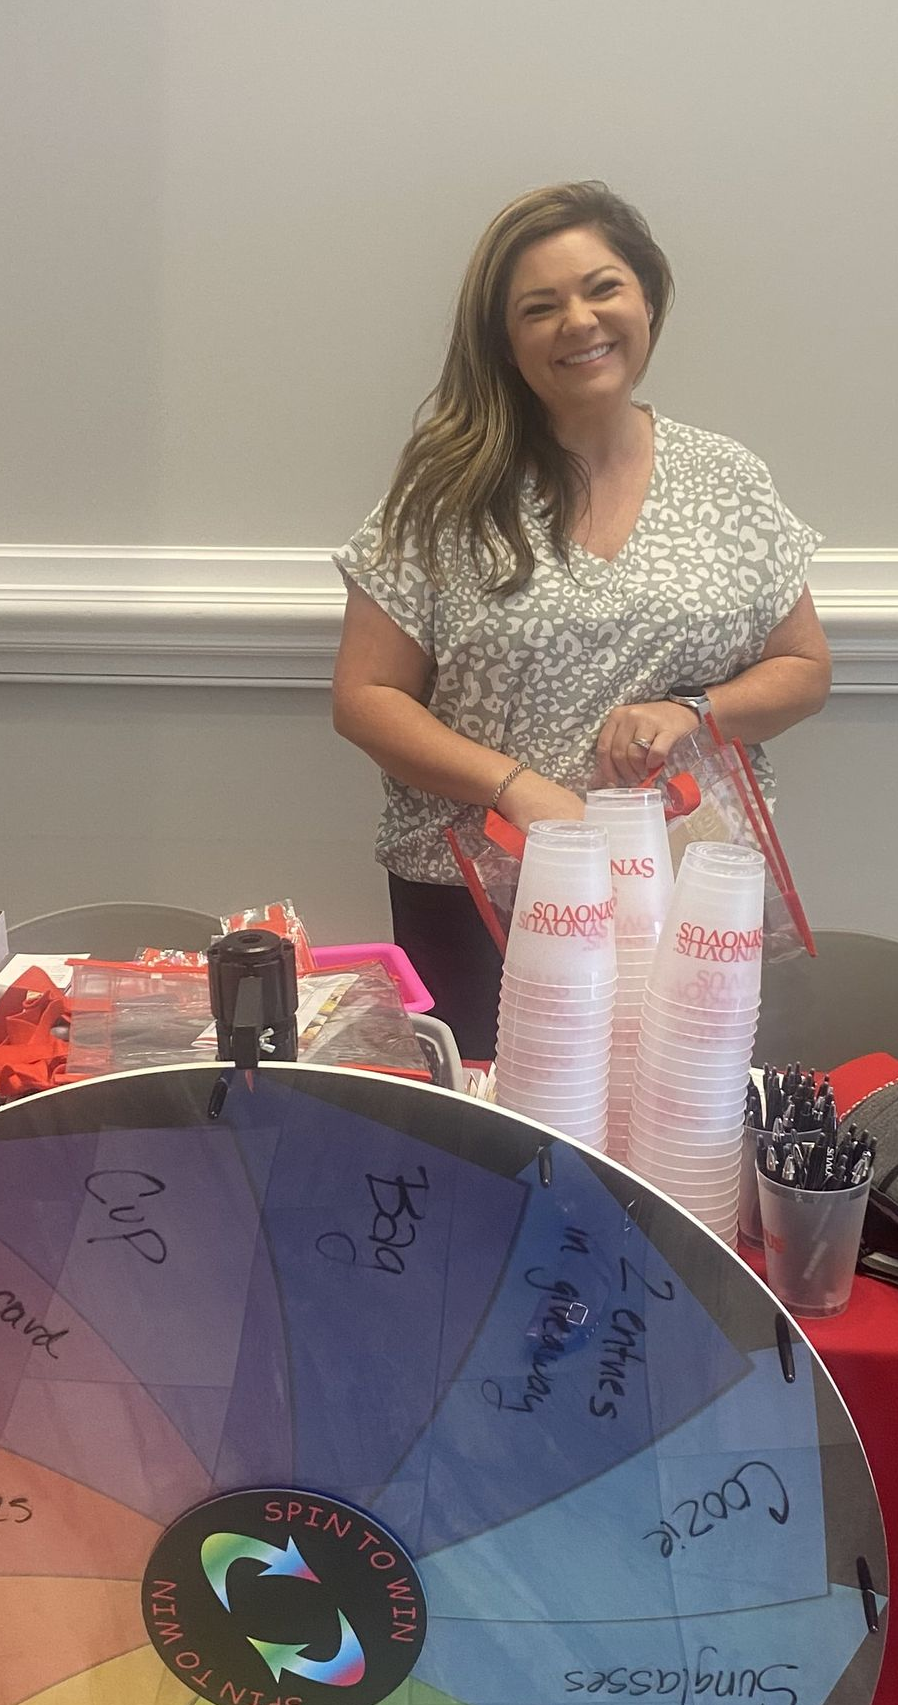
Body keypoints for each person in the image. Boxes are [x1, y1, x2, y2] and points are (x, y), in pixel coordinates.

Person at [332, 180, 830, 1058]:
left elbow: (803, 669)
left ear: (647, 297)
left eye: (602, 288)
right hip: (481, 897)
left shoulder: (728, 480)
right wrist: (517, 788)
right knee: (499, 1149)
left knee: (680, 1130)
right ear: (505, 340)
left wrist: (693, 714)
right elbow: (366, 696)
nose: (579, 320)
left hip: (680, 889)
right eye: (540, 307)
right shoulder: (447, 491)